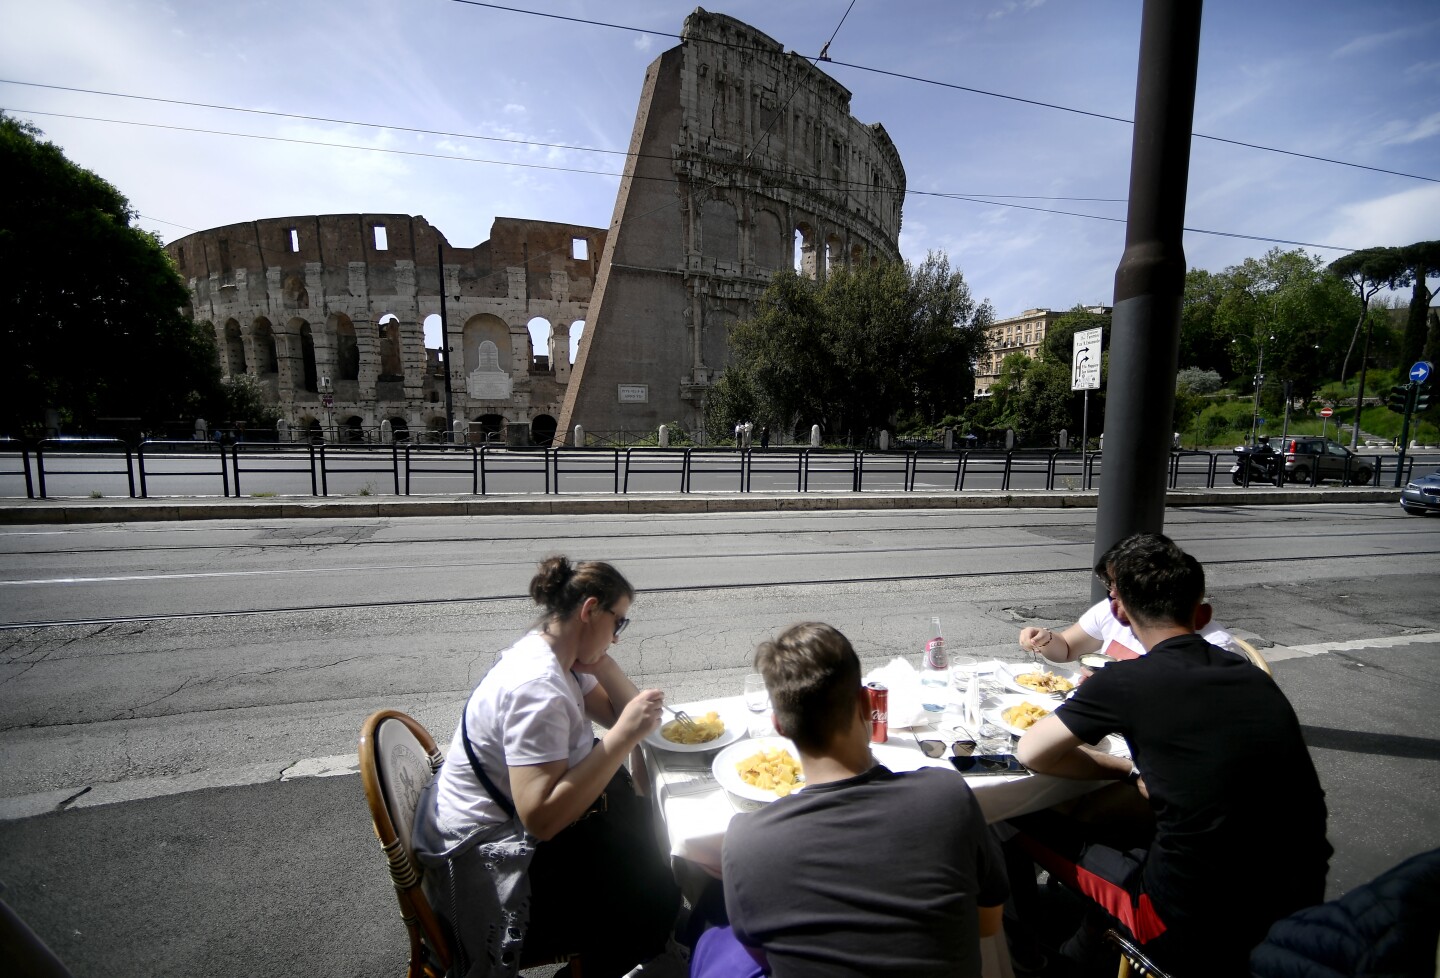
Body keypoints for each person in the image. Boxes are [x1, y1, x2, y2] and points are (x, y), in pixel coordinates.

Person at [1008, 533, 1331, 976]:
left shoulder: (1125, 681)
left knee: (1011, 819)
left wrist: (1123, 770)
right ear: (1202, 612)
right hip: (1301, 894)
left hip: (1191, 916)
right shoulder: (1250, 674)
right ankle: (1084, 944)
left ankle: (1032, 955)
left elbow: (1031, 750)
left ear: (1119, 610)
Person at [411, 556, 679, 978]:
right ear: (590, 611)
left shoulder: (555, 652)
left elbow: (624, 717)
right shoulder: (539, 688)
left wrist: (606, 666)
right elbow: (540, 819)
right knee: (648, 897)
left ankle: (650, 920)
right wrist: (620, 738)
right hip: (486, 855)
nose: (618, 636)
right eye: (619, 623)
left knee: (644, 852)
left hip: (504, 822)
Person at [699, 622, 1009, 978]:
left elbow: (763, 956)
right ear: (867, 703)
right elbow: (987, 924)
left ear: (780, 726)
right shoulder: (949, 795)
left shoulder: (745, 841)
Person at [1017, 536, 1233, 662]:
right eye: (1110, 584)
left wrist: (1108, 691)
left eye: (1117, 586)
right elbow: (1067, 647)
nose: (1112, 594)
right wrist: (1044, 638)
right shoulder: (1113, 610)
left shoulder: (1215, 652)